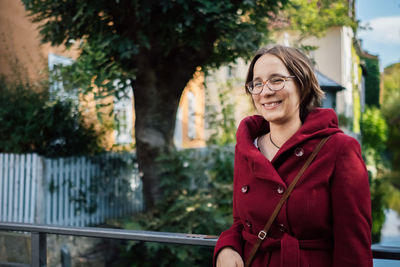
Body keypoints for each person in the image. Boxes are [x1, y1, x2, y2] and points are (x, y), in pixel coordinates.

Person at [214, 45, 372, 267]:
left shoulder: (339, 149)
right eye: (257, 83)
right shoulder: (247, 147)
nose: (265, 91)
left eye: (277, 80)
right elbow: (242, 221)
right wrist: (227, 247)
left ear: (302, 84)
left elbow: (353, 247)